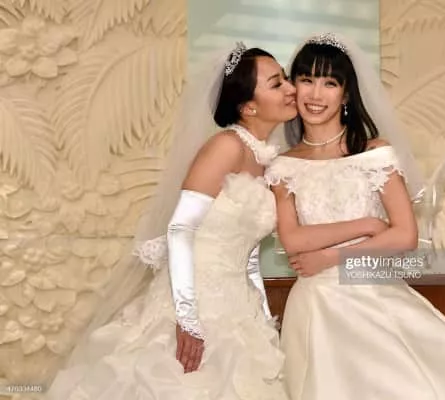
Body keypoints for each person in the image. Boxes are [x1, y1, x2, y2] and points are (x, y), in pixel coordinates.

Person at [265, 33, 445, 400]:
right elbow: (293, 239)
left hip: (370, 295)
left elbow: (404, 235)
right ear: (294, 87)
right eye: (307, 80)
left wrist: (330, 257)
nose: (316, 94)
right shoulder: (283, 165)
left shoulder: (375, 153)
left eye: (329, 83)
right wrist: (367, 225)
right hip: (313, 306)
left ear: (346, 95)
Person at [46, 42, 300, 400]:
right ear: (248, 106)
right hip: (194, 298)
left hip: (237, 302)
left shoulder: (265, 160)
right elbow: (181, 229)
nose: (291, 88)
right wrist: (187, 317)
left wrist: (260, 306)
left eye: (286, 78)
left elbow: (248, 250)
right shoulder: (226, 146)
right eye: (277, 83)